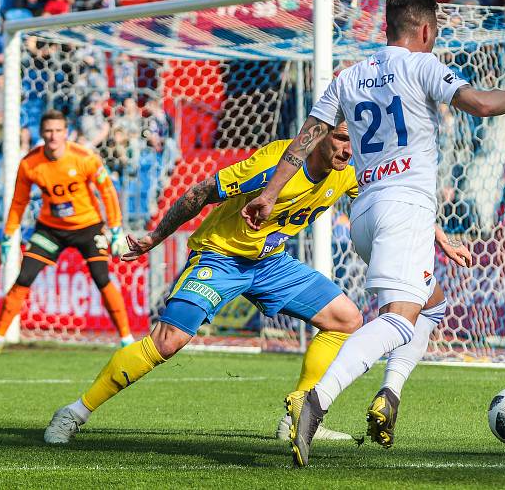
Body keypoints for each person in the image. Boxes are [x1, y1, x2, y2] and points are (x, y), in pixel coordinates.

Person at [242, 0, 505, 466]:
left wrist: (268, 194)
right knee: (397, 319)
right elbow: (483, 105)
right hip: (403, 207)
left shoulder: (349, 77)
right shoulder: (423, 65)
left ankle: (389, 393)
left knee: (431, 304)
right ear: (426, 29)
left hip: (365, 212)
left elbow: (304, 141)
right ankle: (317, 399)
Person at [42, 124, 365, 444]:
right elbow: (199, 192)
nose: (348, 150)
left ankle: (300, 417)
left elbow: (375, 196)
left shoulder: (350, 169)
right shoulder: (273, 164)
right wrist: (155, 237)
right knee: (167, 341)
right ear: (319, 133)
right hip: (220, 256)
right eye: (341, 138)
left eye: (355, 140)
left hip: (270, 262)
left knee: (345, 319)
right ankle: (73, 413)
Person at [0, 110, 134, 358]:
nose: (53, 136)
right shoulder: (29, 164)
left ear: (66, 132)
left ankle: (126, 339)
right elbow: (18, 202)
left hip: (88, 227)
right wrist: (7, 237)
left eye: (58, 130)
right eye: (48, 131)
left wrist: (115, 228)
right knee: (24, 277)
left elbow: (108, 192)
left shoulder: (84, 157)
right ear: (41, 133)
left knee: (102, 278)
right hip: (51, 229)